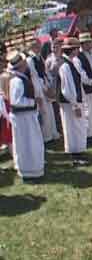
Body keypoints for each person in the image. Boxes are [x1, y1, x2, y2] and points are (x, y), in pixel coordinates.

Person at [7, 51, 45, 180]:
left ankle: (33, 166)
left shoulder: (21, 78)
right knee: (27, 143)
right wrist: (34, 101)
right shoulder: (17, 81)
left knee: (32, 142)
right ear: (22, 65)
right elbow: (16, 101)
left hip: (27, 116)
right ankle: (29, 169)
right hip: (23, 118)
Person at [58, 38, 88, 166]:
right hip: (69, 103)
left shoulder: (69, 63)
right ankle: (75, 155)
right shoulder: (65, 66)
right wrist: (74, 104)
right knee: (72, 128)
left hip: (73, 101)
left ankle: (78, 152)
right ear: (73, 50)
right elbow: (67, 88)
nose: (78, 50)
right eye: (77, 48)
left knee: (77, 127)